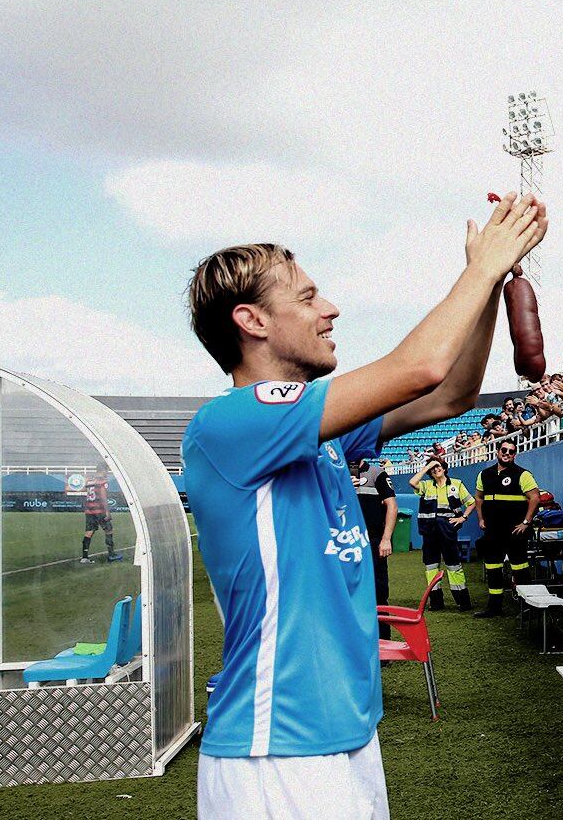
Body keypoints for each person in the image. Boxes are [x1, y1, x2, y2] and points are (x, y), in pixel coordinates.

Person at [182, 192, 544, 819]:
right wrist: (480, 268)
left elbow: (451, 393)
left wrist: (487, 290)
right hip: (276, 751)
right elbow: (419, 368)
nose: (330, 309)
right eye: (306, 297)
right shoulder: (232, 421)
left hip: (349, 734)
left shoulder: (316, 431)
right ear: (253, 321)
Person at [473, 438, 541, 618]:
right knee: (493, 567)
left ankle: (528, 609)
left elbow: (535, 498)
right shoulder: (484, 474)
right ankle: (494, 608)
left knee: (520, 569)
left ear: (514, 455)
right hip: (493, 530)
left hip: (514, 531)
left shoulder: (522, 474)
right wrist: (480, 519)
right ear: (497, 451)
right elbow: (479, 498)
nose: (507, 454)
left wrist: (526, 522)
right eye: (504, 450)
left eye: (511, 451)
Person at [409, 456, 475, 611]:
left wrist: (463, 518)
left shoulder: (457, 484)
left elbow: (472, 503)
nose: (436, 469)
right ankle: (436, 602)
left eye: (438, 466)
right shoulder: (425, 485)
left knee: (453, 565)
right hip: (429, 530)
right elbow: (412, 482)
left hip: (447, 529)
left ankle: (463, 602)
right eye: (433, 468)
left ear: (444, 468)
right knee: (431, 566)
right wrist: (427, 467)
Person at [350, 457, 398, 634]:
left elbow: (392, 506)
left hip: (373, 542)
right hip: (345, 543)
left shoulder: (377, 473)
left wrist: (386, 539)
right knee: (346, 594)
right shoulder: (334, 473)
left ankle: (383, 644)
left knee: (378, 593)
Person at [79, 460, 122, 564]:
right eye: (107, 470)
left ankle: (84, 557)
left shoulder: (89, 480)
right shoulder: (102, 480)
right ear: (103, 470)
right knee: (108, 530)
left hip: (89, 510)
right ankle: (111, 555)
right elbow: (103, 496)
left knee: (89, 532)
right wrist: (107, 511)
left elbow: (87, 491)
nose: (107, 472)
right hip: (99, 510)